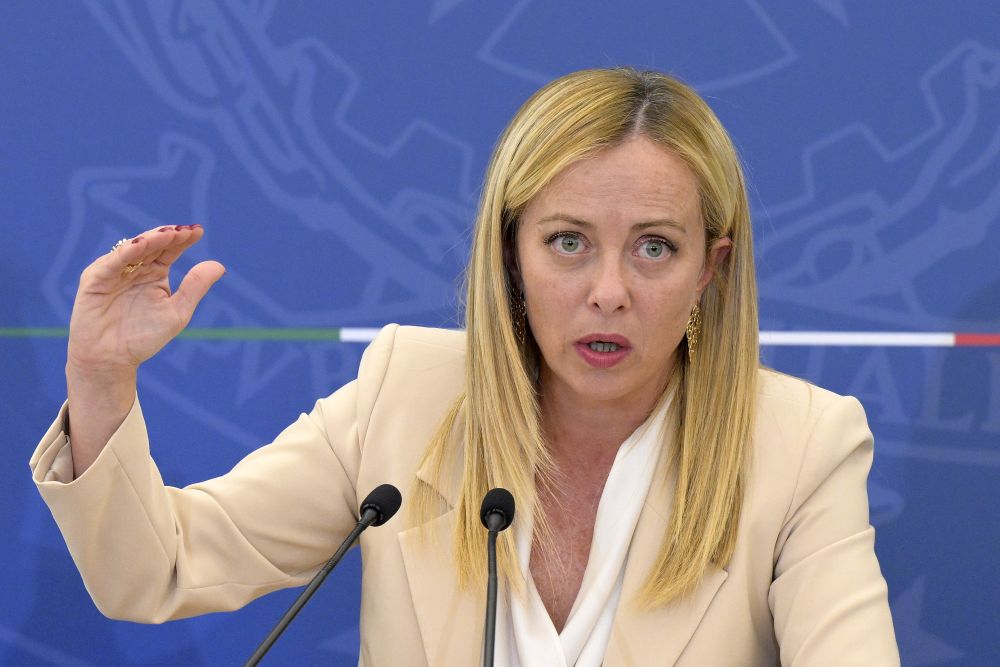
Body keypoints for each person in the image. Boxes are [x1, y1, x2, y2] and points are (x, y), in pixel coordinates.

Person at [30, 67, 900, 665]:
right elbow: (158, 568)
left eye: (654, 247)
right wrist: (102, 379)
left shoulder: (800, 446)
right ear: (510, 252)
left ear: (710, 269)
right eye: (568, 242)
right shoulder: (405, 395)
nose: (608, 292)